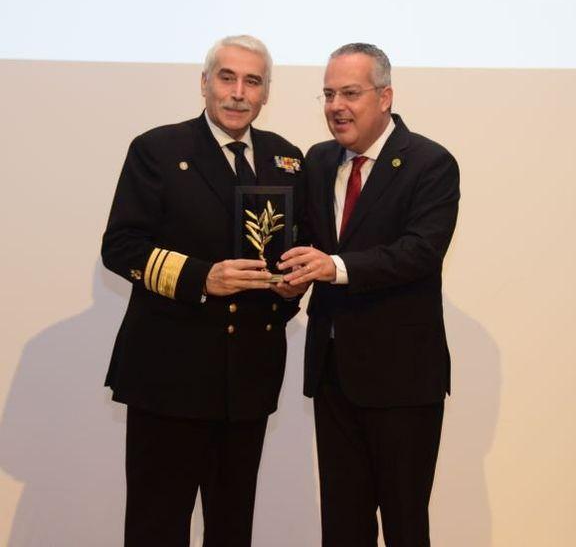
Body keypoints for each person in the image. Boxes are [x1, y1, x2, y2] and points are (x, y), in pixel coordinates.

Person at [102, 34, 306, 547]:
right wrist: (202, 278)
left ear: (266, 93)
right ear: (204, 83)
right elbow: (121, 248)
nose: (238, 93)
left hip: (249, 377)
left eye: (252, 82)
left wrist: (290, 291)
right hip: (169, 375)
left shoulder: (287, 159)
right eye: (226, 78)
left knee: (232, 529)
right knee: (156, 527)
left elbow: (292, 253)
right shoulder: (158, 149)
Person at [279, 43, 460, 547]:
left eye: (350, 93)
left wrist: (333, 267)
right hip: (333, 374)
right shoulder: (318, 161)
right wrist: (290, 277)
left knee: (404, 524)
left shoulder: (430, 163)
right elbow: (305, 241)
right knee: (342, 526)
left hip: (403, 381)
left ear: (385, 97)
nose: (336, 106)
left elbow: (420, 251)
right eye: (328, 94)